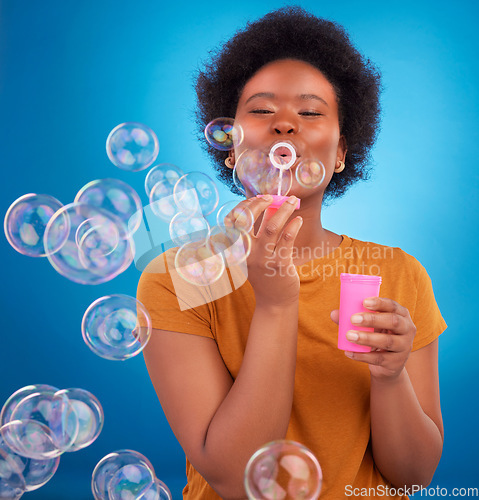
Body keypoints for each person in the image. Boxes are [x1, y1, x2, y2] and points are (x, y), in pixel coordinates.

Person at [137, 6, 447, 499]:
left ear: (342, 151)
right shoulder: (178, 277)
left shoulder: (397, 273)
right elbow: (235, 476)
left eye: (310, 112)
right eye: (261, 111)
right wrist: (277, 303)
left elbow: (413, 478)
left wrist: (391, 378)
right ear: (230, 148)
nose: (285, 125)